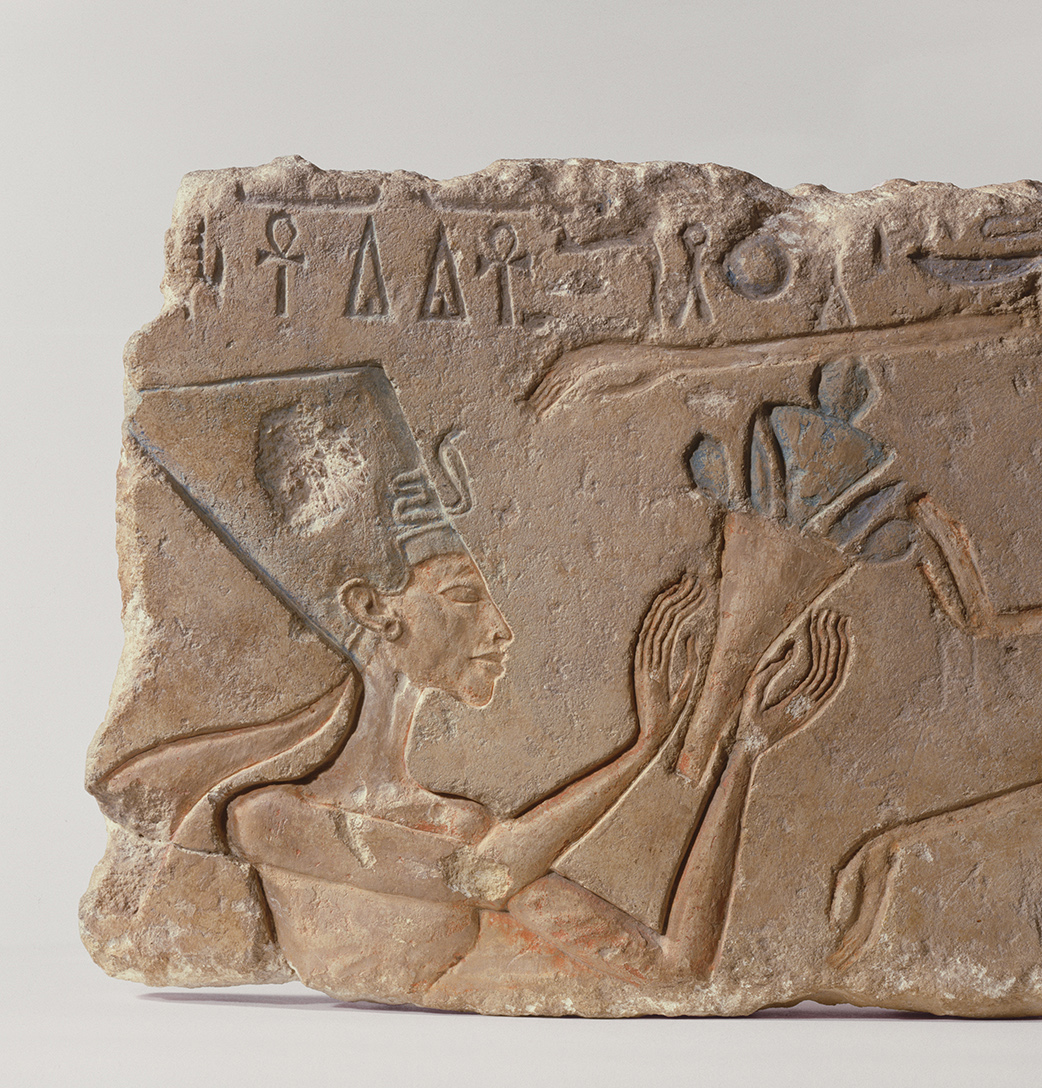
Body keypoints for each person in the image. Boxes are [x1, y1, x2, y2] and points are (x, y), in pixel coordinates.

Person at [92, 366, 852, 1008]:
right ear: (373, 609)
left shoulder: (461, 823)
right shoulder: (269, 816)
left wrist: (743, 753)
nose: (500, 629)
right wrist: (644, 748)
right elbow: (482, 875)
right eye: (463, 595)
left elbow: (679, 968)